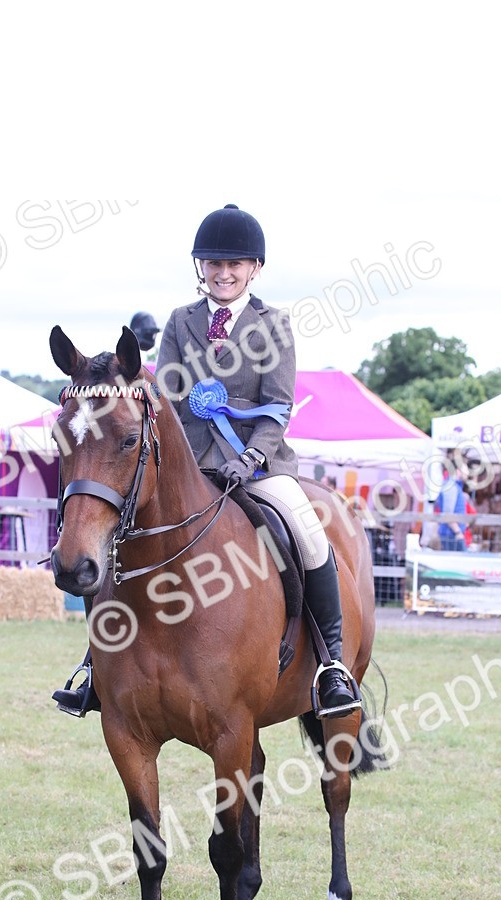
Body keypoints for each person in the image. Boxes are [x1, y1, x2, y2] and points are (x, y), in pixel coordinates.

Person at [53, 203, 360, 719]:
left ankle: (331, 664)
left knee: (308, 533)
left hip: (259, 466)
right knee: (120, 542)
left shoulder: (274, 325)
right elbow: (165, 399)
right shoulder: (181, 322)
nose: (224, 273)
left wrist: (254, 455)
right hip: (189, 465)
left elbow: (279, 406)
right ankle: (94, 664)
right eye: (214, 264)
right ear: (201, 268)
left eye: (234, 264)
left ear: (254, 269)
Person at [434, 465, 467, 551]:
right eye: (466, 469)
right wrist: (458, 532)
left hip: (452, 533)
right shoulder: (451, 487)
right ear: (458, 470)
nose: (467, 473)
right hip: (451, 534)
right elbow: (448, 514)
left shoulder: (454, 486)